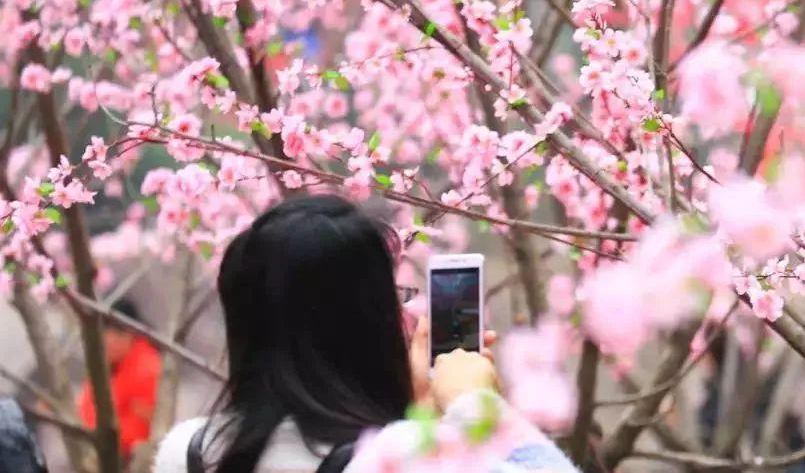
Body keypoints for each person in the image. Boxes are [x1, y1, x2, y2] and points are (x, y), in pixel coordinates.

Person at [152, 195, 574, 473]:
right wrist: (473, 403)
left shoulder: (186, 453)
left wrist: (419, 413)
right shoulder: (400, 458)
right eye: (395, 296)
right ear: (367, 321)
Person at [78, 297, 162, 462]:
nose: (110, 340)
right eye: (106, 332)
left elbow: (140, 432)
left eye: (119, 333)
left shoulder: (147, 369)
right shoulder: (107, 366)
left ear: (133, 334)